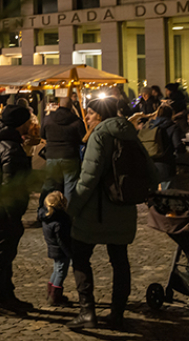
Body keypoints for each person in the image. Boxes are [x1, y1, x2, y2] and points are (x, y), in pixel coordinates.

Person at [67, 97, 159, 330]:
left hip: (96, 212)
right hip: (123, 210)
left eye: (89, 114)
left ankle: (87, 311)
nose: (86, 118)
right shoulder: (129, 134)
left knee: (80, 257)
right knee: (120, 262)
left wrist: (72, 207)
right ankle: (117, 313)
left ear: (99, 115)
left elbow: (89, 177)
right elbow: (153, 173)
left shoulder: (99, 135)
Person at [0, 104, 35, 316]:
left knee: (4, 254)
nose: (31, 125)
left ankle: (7, 295)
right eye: (29, 121)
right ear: (21, 124)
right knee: (0, 254)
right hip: (1, 209)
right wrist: (14, 217)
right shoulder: (10, 149)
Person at [40, 97, 85, 201]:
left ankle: (43, 210)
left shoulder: (48, 119)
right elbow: (83, 139)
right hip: (70, 155)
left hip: (52, 155)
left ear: (59, 104)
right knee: (70, 185)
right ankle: (68, 212)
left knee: (49, 184)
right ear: (71, 106)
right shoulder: (76, 121)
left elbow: (42, 134)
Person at [38, 190, 73, 307]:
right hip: (60, 251)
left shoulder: (46, 217)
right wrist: (69, 253)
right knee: (61, 272)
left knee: (56, 270)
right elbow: (62, 240)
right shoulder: (60, 221)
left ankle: (50, 292)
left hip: (52, 248)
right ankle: (55, 297)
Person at [145, 104, 182, 190]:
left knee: (152, 193)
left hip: (149, 163)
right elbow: (178, 145)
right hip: (165, 163)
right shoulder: (173, 126)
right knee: (167, 193)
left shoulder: (148, 126)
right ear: (171, 114)